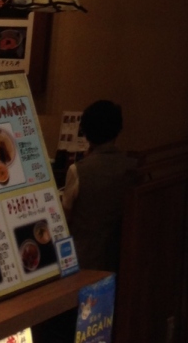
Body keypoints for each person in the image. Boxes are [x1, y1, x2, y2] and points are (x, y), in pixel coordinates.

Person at [61, 100, 134, 272]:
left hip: (83, 259)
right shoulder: (133, 166)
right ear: (118, 130)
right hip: (121, 259)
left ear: (86, 133)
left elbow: (65, 217)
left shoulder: (78, 170)